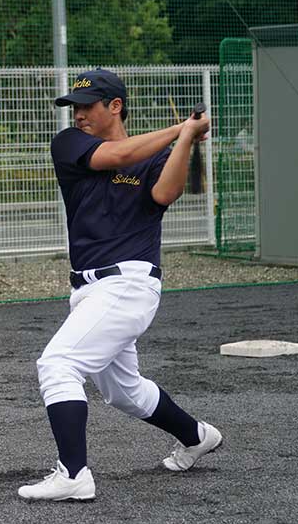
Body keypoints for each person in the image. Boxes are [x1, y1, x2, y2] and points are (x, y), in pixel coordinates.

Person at [18, 68, 220, 501]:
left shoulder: (154, 156)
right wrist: (181, 129)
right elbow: (119, 156)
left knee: (58, 365)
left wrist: (185, 140)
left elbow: (166, 194)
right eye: (74, 107)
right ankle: (197, 436)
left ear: (115, 106)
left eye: (86, 106)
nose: (78, 114)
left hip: (128, 283)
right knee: (124, 392)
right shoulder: (69, 143)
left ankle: (73, 474)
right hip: (87, 290)